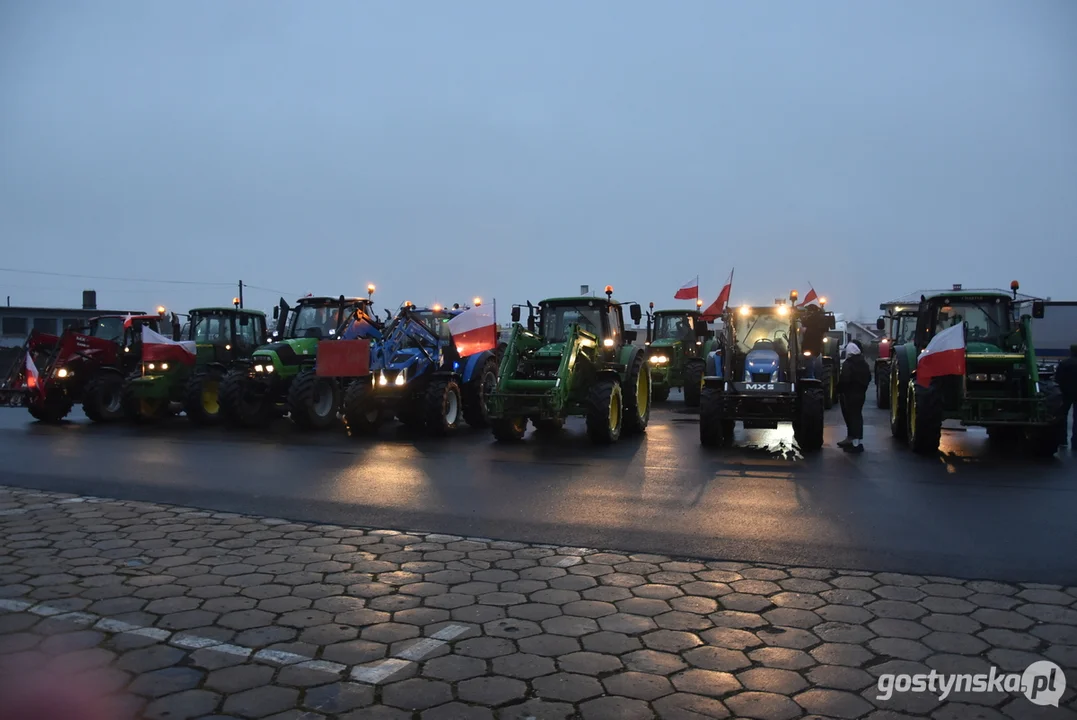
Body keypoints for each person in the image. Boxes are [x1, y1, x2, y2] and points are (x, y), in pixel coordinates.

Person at [837, 339, 871, 453]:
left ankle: (854, 444)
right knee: (857, 416)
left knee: (852, 417)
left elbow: (845, 379)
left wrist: (840, 389)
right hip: (861, 394)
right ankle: (856, 441)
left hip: (849, 394)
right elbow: (869, 378)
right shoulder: (864, 363)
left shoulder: (848, 363)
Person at [1056, 345, 1077, 447]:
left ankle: (1062, 440)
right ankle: (1075, 442)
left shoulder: (1065, 363)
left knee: (1062, 416)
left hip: (1066, 393)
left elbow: (1058, 379)